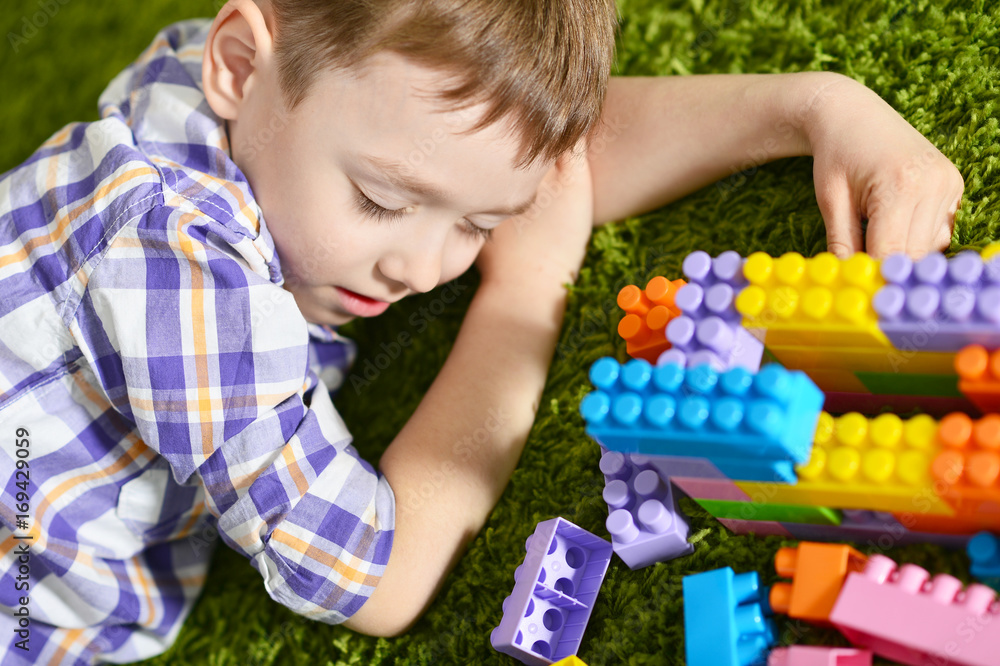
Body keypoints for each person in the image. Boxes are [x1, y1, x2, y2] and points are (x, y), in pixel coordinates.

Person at [0, 0, 963, 662]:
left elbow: (536, 160)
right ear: (239, 64)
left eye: (481, 224)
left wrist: (817, 108)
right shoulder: (171, 269)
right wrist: (524, 291)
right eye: (382, 201)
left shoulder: (277, 74)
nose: (424, 269)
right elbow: (377, 577)